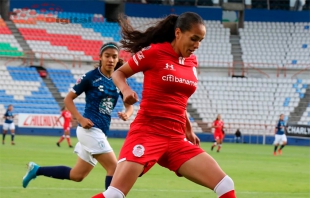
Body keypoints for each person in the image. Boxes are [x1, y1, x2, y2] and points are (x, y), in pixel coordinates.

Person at [92, 12, 236, 198]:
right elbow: (119, 73)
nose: (197, 45)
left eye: (200, 40)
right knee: (114, 194)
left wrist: (188, 129)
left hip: (176, 139)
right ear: (178, 33)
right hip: (148, 133)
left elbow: (178, 99)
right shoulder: (155, 52)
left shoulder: (192, 61)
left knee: (225, 184)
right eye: (193, 39)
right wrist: (126, 91)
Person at [22, 42, 134, 190]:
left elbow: (129, 103)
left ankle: (36, 170)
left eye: (114, 57)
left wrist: (127, 113)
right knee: (114, 168)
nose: (111, 60)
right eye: (107, 56)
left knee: (77, 175)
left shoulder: (118, 79)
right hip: (90, 131)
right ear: (100, 57)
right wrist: (80, 119)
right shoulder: (90, 77)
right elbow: (68, 99)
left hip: (100, 133)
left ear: (118, 58)